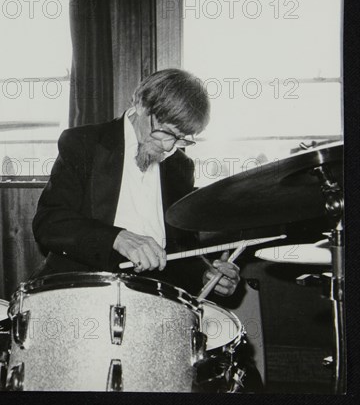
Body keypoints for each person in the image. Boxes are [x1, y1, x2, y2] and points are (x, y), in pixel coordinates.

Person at [32, 68, 240, 297]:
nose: (169, 147)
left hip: (150, 296)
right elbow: (49, 223)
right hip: (82, 289)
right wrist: (116, 238)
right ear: (141, 104)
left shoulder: (180, 167)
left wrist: (205, 274)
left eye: (181, 139)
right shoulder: (84, 144)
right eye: (166, 132)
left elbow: (181, 246)